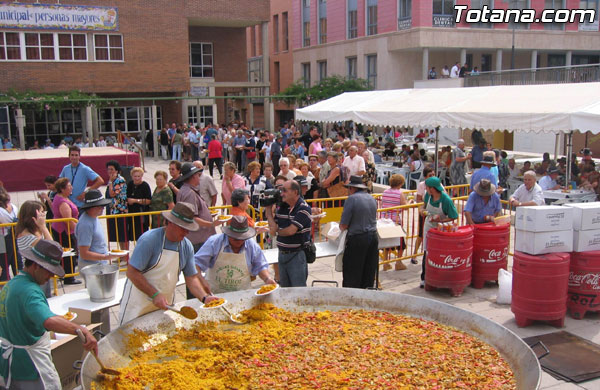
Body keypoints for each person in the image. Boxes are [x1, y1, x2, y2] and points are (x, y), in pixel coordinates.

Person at [0, 239, 97, 390]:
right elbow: (48, 322)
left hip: (12, 366)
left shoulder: (12, 284)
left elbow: (33, 316)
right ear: (36, 265)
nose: (51, 276)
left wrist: (64, 321)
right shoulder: (30, 292)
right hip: (30, 368)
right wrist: (82, 330)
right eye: (49, 270)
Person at [118, 203, 219, 325]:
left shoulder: (186, 246)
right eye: (183, 228)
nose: (186, 232)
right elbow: (132, 272)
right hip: (137, 306)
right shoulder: (149, 240)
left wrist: (205, 298)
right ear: (170, 223)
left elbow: (191, 279)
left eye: (188, 229)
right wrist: (154, 294)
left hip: (165, 306)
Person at [194, 215, 276, 293]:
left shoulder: (251, 245)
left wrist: (267, 279)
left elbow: (260, 265)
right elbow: (196, 264)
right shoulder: (214, 242)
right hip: (215, 293)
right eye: (235, 238)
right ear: (228, 233)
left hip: (242, 293)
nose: (239, 241)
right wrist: (202, 281)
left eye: (242, 238)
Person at [265, 180, 312, 287]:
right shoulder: (283, 207)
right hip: (282, 254)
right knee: (285, 290)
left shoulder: (304, 208)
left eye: (284, 190)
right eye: (281, 190)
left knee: (298, 291)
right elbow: (272, 231)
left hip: (296, 255)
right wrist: (268, 210)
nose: (281, 193)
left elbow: (290, 231)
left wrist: (277, 231)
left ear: (295, 192)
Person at [339, 176, 378, 289]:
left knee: (353, 273)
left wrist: (340, 227)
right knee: (368, 272)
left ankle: (352, 299)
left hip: (358, 239)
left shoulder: (351, 199)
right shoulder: (372, 198)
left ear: (352, 188)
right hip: (372, 237)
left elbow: (344, 225)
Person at [419, 177, 459, 287]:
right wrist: (422, 210)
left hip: (441, 229)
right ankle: (424, 277)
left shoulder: (446, 200)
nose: (426, 189)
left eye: (427, 187)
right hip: (428, 227)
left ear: (432, 188)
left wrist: (440, 220)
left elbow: (453, 216)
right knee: (427, 251)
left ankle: (439, 277)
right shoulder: (428, 196)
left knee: (440, 253)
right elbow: (423, 205)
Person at [176, 163, 224, 253]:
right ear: (193, 176)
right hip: (198, 239)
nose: (199, 177)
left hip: (197, 238)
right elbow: (193, 218)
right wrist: (213, 224)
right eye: (198, 175)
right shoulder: (190, 193)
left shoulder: (185, 190)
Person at [15, 201, 54, 297]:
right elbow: (52, 249)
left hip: (43, 271)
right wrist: (43, 227)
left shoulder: (36, 231)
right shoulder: (26, 235)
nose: (44, 215)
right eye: (41, 212)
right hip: (35, 275)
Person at [75, 190, 121, 269]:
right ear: (91, 207)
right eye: (99, 206)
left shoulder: (93, 218)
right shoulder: (85, 224)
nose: (103, 208)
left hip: (98, 265)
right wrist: (106, 257)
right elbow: (84, 253)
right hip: (91, 267)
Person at [49, 178, 79, 284]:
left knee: (68, 253)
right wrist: (78, 232)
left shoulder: (62, 198)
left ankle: (66, 274)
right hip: (64, 231)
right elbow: (68, 221)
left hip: (62, 230)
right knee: (69, 253)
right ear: (62, 189)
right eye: (69, 186)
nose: (71, 188)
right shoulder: (62, 202)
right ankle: (69, 277)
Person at [380, 174, 408, 271]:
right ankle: (398, 262)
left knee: (387, 243)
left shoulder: (385, 192)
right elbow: (404, 206)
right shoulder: (399, 193)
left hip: (385, 219)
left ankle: (386, 263)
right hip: (395, 220)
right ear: (400, 184)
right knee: (400, 243)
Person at [410, 167, 436, 264]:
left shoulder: (438, 184)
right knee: (421, 234)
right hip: (425, 212)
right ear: (425, 177)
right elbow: (419, 198)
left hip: (435, 213)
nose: (432, 177)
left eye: (433, 175)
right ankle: (414, 255)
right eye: (430, 175)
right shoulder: (422, 185)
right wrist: (422, 209)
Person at [105, 160, 129, 251]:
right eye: (108, 169)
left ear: (117, 170)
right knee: (118, 235)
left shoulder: (120, 180)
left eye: (112, 169)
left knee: (123, 235)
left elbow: (112, 194)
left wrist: (110, 182)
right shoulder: (112, 180)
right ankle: (121, 254)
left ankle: (125, 256)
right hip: (113, 210)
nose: (110, 172)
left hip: (120, 210)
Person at [126, 167, 152, 241]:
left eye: (139, 176)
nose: (137, 178)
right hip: (131, 213)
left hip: (141, 214)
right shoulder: (130, 184)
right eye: (135, 176)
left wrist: (135, 200)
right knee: (133, 235)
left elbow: (148, 200)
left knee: (142, 235)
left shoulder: (145, 186)